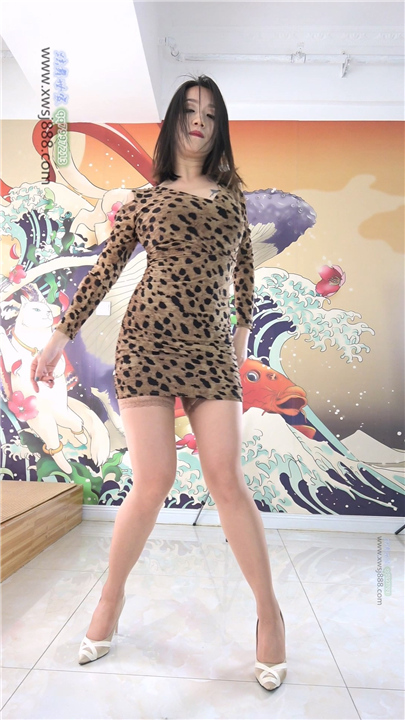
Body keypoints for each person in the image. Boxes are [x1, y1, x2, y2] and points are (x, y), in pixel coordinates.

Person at [30, 74, 287, 691]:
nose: (199, 121)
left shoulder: (232, 201)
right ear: (173, 121)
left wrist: (239, 345)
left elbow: (244, 281)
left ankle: (269, 614)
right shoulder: (145, 201)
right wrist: (60, 335)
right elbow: (105, 269)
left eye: (211, 114)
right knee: (152, 483)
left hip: (210, 353)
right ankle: (110, 599)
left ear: (219, 129)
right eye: (190, 110)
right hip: (145, 346)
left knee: (226, 480)